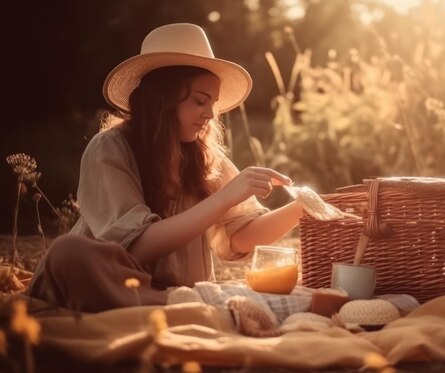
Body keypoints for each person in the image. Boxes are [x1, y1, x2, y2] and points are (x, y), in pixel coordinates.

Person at [28, 23, 303, 312]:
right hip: (115, 283)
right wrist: (224, 198)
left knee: (186, 295)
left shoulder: (206, 158)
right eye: (200, 101)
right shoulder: (110, 148)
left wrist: (304, 208)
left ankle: (180, 303)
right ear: (163, 97)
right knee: (66, 254)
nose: (210, 115)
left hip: (182, 293)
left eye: (213, 104)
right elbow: (136, 247)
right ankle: (187, 304)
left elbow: (242, 236)